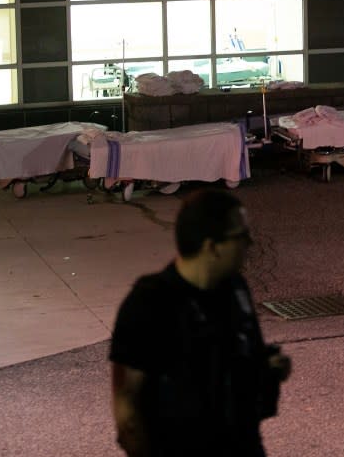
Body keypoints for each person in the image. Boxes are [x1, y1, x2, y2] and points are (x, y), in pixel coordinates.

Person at [110, 188, 291, 457]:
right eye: (240, 236)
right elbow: (126, 405)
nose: (250, 243)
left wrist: (267, 369)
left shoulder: (236, 290)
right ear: (212, 247)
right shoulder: (150, 302)